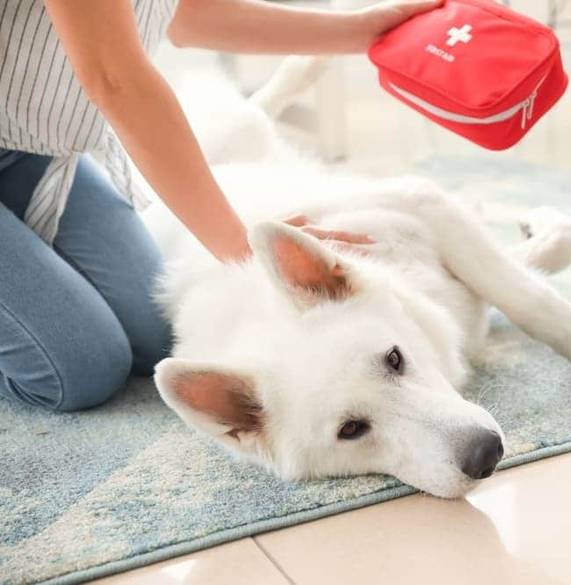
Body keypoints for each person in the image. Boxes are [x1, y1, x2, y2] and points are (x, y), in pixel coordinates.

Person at [0, 0, 440, 412]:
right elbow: (116, 80)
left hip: (28, 147)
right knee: (80, 370)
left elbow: (181, 12)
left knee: (157, 332)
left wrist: (361, 31)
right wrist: (244, 247)